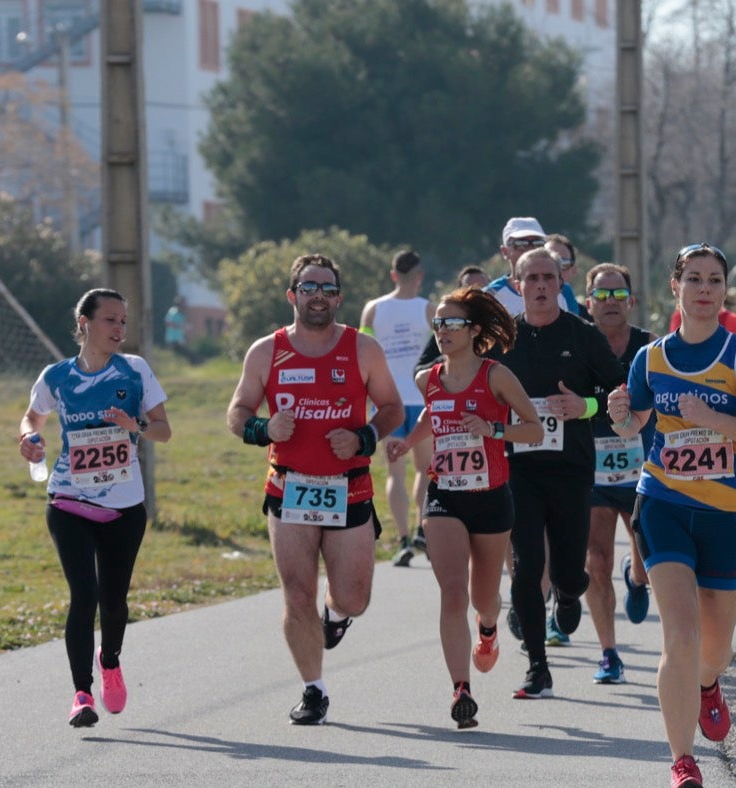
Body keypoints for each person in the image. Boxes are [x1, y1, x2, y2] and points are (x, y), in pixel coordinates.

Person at [606, 243, 736, 788]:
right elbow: (632, 425)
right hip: (661, 501)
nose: (705, 289)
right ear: (676, 288)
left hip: (728, 514)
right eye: (694, 279)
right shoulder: (651, 359)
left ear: (725, 291)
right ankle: (682, 762)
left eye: (714, 280)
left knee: (713, 651)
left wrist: (716, 420)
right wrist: (620, 417)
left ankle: (709, 683)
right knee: (679, 635)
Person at [226, 254, 404, 724]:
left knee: (354, 598)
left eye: (326, 288)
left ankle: (337, 614)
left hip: (350, 488)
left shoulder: (362, 349)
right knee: (296, 595)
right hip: (290, 490)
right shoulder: (266, 351)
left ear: (339, 298)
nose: (318, 295)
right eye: (308, 287)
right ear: (293, 296)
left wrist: (364, 437)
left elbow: (392, 408)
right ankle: (313, 690)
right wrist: (264, 430)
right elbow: (237, 413)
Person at [384, 289, 542, 728]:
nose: (442, 331)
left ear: (474, 331)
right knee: (452, 592)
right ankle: (461, 689)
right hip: (444, 495)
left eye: (452, 324)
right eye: (437, 323)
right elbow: (429, 417)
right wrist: (407, 443)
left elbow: (533, 431)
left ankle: (488, 628)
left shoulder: (497, 377)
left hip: (491, 498)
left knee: (482, 599)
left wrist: (493, 428)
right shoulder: (427, 378)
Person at [18, 288, 172, 728]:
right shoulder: (57, 375)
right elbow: (33, 416)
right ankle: (81, 693)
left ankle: (111, 660)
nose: (120, 329)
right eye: (110, 320)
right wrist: (30, 438)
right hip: (68, 499)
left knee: (114, 601)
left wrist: (135, 425)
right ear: (84, 323)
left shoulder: (135, 371)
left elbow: (163, 430)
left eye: (124, 321)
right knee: (84, 596)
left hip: (124, 506)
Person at [499, 247, 627, 699]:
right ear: (517, 285)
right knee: (528, 565)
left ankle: (571, 594)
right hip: (520, 470)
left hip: (572, 469)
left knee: (571, 572)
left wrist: (584, 406)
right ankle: (538, 667)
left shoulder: (584, 335)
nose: (538, 286)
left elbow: (617, 389)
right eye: (529, 278)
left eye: (547, 278)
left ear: (560, 284)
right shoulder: (502, 340)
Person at [582, 262, 656, 684]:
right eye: (602, 295)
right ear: (588, 301)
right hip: (591, 469)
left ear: (632, 300)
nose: (610, 303)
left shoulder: (650, 347)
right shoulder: (575, 345)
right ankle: (609, 653)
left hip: (642, 467)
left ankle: (637, 576)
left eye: (618, 295)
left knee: (643, 551)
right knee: (595, 559)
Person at [360, 249, 434, 567]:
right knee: (424, 469)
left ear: (393, 275)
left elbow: (362, 354)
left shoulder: (373, 310)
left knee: (395, 473)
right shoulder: (429, 309)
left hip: (386, 401)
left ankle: (403, 539)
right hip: (420, 399)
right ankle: (421, 527)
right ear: (419, 276)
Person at [483, 217, 576, 316]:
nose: (530, 250)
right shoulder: (490, 295)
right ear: (505, 252)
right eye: (521, 244)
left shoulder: (563, 290)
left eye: (537, 243)